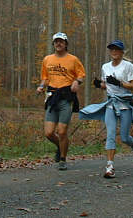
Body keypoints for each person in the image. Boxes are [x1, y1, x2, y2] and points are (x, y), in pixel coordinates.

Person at [79, 39, 133, 179]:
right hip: (111, 104)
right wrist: (98, 84)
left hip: (125, 104)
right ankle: (110, 166)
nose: (114, 51)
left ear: (121, 51)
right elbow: (106, 85)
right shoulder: (105, 67)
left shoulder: (129, 66)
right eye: (111, 49)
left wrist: (119, 83)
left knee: (124, 137)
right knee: (110, 134)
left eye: (116, 49)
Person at [36, 32, 85, 170]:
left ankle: (63, 159)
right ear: (53, 44)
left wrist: (77, 81)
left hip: (66, 97)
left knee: (62, 131)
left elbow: (81, 74)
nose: (58, 44)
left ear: (66, 44)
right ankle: (60, 145)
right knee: (49, 133)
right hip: (52, 97)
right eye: (56, 41)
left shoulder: (73, 59)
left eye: (61, 41)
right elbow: (45, 77)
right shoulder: (47, 59)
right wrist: (41, 86)